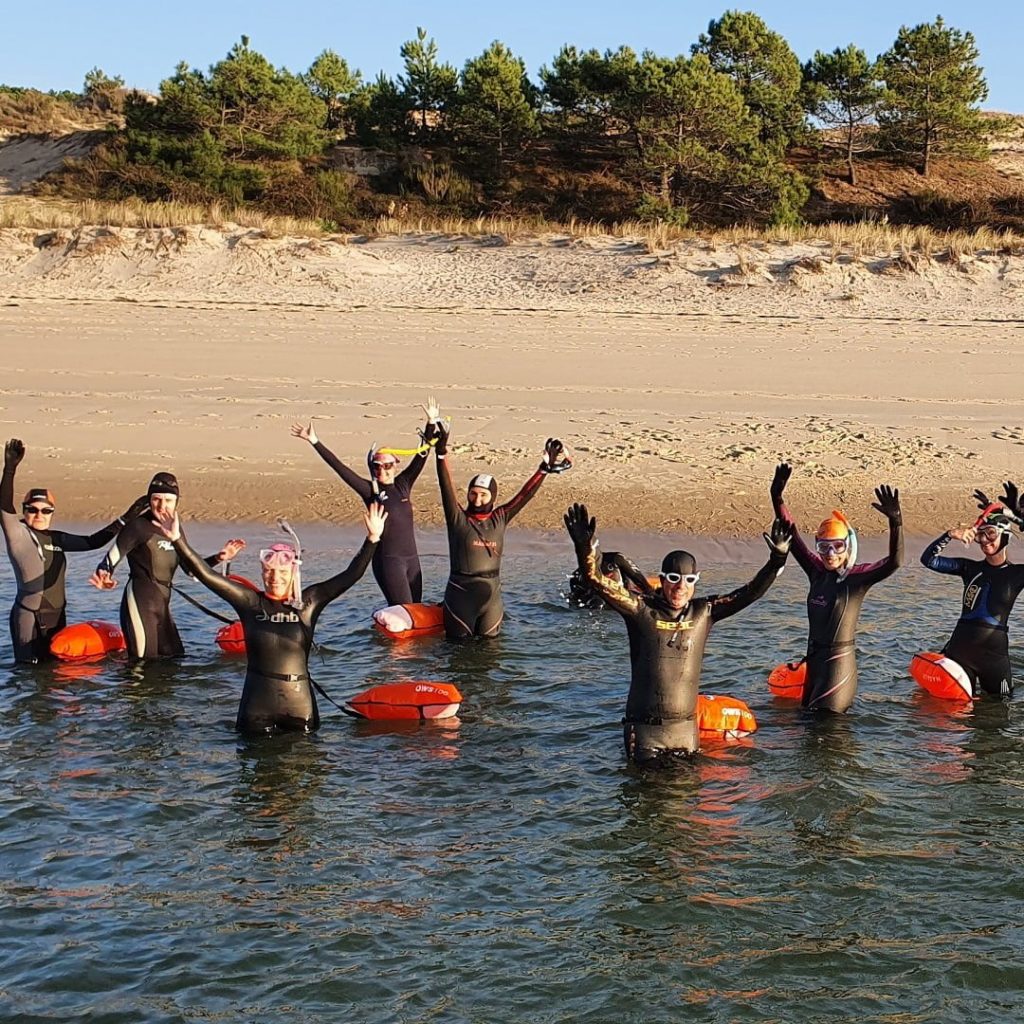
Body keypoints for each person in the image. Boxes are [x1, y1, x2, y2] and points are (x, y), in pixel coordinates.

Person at [564, 501, 793, 765]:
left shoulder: (704, 612)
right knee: (649, 792)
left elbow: (750, 593)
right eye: (673, 579)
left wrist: (777, 559)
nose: (680, 587)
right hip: (645, 734)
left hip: (686, 733)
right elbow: (596, 580)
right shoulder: (640, 609)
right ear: (662, 580)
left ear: (696, 582)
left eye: (688, 580)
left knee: (685, 792)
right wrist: (584, 548)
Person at [152, 503, 387, 733]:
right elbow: (206, 575)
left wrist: (373, 538)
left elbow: (351, 575)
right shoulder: (249, 602)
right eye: (269, 572)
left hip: (299, 703)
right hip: (257, 705)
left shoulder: (309, 602)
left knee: (306, 754)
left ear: (293, 574)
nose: (274, 578)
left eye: (282, 572)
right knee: (252, 755)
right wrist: (177, 540)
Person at [1, 438, 149, 664]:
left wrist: (128, 516)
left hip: (57, 615)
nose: (39, 515)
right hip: (28, 618)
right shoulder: (18, 534)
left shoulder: (57, 538)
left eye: (46, 510)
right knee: (28, 673)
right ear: (24, 511)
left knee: (53, 671)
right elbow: (4, 506)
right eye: (32, 510)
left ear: (52, 512)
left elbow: (93, 542)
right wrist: (10, 469)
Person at [770, 463, 903, 713]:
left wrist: (896, 523)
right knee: (807, 726)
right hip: (814, 663)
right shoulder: (816, 571)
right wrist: (777, 497)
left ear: (848, 547)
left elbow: (894, 562)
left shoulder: (856, 578)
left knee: (828, 730)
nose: (830, 553)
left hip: (838, 670)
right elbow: (792, 533)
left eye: (837, 546)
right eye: (824, 547)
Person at [291, 403, 437, 606]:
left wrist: (431, 422)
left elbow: (422, 455)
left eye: (387, 465)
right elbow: (340, 468)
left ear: (396, 465)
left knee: (416, 610)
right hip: (388, 562)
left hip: (412, 560)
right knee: (403, 610)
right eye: (377, 466)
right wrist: (314, 441)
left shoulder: (404, 484)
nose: (382, 470)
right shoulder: (371, 491)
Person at [435, 420, 570, 639]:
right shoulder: (458, 518)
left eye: (483, 494)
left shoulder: (500, 517)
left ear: (493, 496)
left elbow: (525, 495)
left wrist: (543, 470)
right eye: (473, 493)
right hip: (460, 597)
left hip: (492, 599)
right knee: (459, 652)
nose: (477, 499)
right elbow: (445, 486)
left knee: (492, 650)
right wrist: (441, 453)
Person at [89, 472, 244, 660]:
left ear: (176, 502)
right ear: (149, 500)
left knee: (176, 658)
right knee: (142, 663)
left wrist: (219, 557)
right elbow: (110, 559)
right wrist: (104, 574)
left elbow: (191, 571)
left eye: (168, 500)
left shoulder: (175, 530)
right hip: (140, 601)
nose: (162, 506)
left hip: (162, 605)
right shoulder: (137, 527)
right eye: (156, 499)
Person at [920, 492, 1024, 698]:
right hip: (960, 651)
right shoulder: (969, 568)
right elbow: (929, 560)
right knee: (955, 711)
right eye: (980, 535)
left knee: (1000, 707)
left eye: (991, 534)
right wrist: (950, 534)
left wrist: (1017, 519)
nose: (984, 540)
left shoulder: (1017, 574)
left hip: (993, 657)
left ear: (1006, 536)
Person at [567, 550, 653, 609]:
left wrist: (651, 593)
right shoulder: (576, 576)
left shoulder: (617, 559)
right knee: (597, 602)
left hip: (625, 597)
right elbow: (574, 604)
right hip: (599, 603)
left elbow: (642, 583)